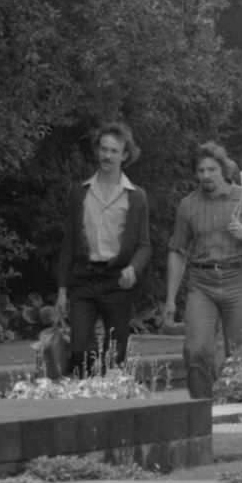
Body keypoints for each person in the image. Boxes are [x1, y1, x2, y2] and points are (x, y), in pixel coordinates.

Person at [167, 144, 242, 400]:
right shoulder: (188, 205)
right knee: (196, 349)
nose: (205, 175)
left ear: (223, 170)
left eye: (211, 169)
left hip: (239, 280)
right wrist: (169, 298)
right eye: (200, 170)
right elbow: (177, 250)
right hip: (201, 283)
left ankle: (235, 406)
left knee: (241, 352)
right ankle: (201, 406)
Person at [55, 128, 152, 379]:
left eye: (114, 151)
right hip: (84, 280)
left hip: (116, 281)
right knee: (78, 351)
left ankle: (112, 404)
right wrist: (62, 289)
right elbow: (69, 243)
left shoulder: (136, 196)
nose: (107, 155)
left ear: (125, 155)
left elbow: (144, 245)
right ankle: (82, 400)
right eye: (103, 149)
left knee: (116, 355)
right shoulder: (80, 192)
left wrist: (134, 267)